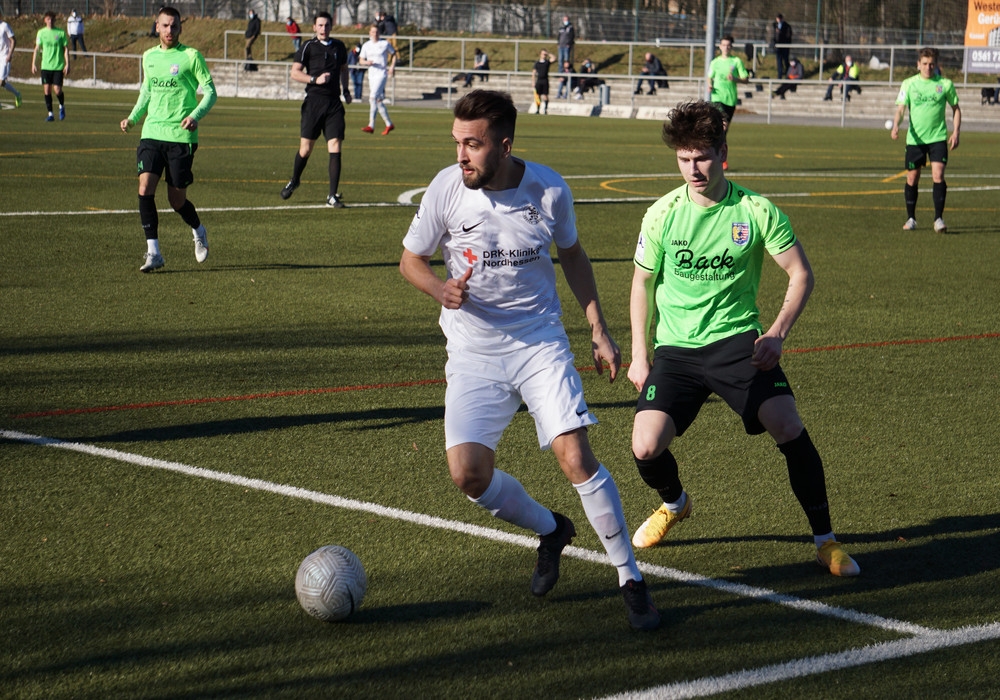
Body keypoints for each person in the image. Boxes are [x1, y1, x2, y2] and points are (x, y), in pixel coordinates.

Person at [399, 89, 661, 631]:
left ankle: (629, 577)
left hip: (540, 344)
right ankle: (551, 530)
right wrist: (439, 289)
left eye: (473, 144)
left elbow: (572, 256)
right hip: (472, 350)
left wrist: (599, 331)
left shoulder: (549, 189)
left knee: (575, 458)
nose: (461, 155)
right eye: (457, 142)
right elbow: (410, 260)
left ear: (504, 143)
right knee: (469, 475)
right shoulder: (446, 189)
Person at [628, 100, 860, 580]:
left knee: (788, 425)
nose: (693, 169)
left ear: (724, 153)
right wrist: (639, 354)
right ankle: (675, 504)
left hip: (738, 345)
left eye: (703, 157)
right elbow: (642, 284)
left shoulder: (755, 211)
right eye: (684, 158)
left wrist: (776, 333)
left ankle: (825, 541)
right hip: (676, 350)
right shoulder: (661, 215)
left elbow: (800, 275)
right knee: (646, 448)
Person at [119, 5, 216, 273]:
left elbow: (210, 92)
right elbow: (146, 92)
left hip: (181, 137)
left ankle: (198, 229)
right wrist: (133, 118)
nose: (169, 30)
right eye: (165, 25)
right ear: (157, 26)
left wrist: (195, 116)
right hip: (151, 133)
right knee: (144, 188)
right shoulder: (148, 57)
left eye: (174, 26)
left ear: (180, 27)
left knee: (177, 201)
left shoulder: (191, 56)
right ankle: (154, 252)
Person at [279, 11, 352, 208]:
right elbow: (295, 72)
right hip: (313, 103)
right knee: (306, 149)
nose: (323, 29)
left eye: (327, 25)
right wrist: (314, 79)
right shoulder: (308, 47)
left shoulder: (339, 47)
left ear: (331, 26)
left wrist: (346, 90)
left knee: (335, 145)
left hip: (334, 105)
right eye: (320, 25)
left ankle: (332, 196)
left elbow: (344, 69)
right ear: (314, 27)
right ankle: (295, 180)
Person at [890, 47, 961, 233]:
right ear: (918, 65)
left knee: (938, 175)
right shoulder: (909, 84)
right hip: (915, 139)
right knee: (912, 178)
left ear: (935, 65)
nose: (928, 68)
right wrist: (897, 124)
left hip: (938, 137)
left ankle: (938, 219)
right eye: (924, 64)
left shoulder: (945, 84)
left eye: (931, 64)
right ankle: (911, 218)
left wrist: (956, 132)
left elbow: (956, 108)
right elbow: (900, 109)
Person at [708, 34, 748, 169]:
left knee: (723, 131)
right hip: (717, 98)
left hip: (730, 99)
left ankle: (719, 155)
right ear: (720, 46)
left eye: (728, 45)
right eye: (723, 45)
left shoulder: (736, 61)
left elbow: (746, 79)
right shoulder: (715, 62)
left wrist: (735, 79)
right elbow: (709, 77)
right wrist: (709, 84)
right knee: (721, 125)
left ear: (731, 47)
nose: (726, 47)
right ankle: (719, 159)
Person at [31, 11, 69, 121]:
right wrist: (33, 63)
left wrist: (67, 64)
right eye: (48, 19)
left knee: (57, 90)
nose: (50, 21)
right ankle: (50, 114)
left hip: (58, 66)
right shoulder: (41, 33)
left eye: (52, 19)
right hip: (45, 66)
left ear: (55, 20)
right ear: (45, 20)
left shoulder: (61, 33)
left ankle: (61, 105)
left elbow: (66, 49)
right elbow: (37, 49)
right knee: (47, 91)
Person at [359, 24, 396, 135]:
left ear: (379, 33)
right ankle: (389, 124)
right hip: (372, 75)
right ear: (369, 33)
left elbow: (394, 54)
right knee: (378, 101)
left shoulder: (384, 43)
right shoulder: (366, 45)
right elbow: (361, 60)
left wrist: (392, 67)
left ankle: (371, 125)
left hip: (382, 74)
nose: (375, 34)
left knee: (372, 98)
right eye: (373, 32)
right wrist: (367, 62)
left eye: (377, 32)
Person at [0, 10, 22, 108]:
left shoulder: (4, 25)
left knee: (0, 82)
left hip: (5, 57)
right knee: (3, 83)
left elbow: (13, 40)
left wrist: (10, 54)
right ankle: (17, 94)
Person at [771, 13, 792, 79]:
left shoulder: (787, 26)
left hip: (784, 46)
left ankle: (788, 75)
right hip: (778, 47)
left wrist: (781, 33)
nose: (778, 20)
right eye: (777, 18)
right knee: (779, 62)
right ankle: (779, 76)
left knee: (786, 60)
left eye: (779, 18)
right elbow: (774, 36)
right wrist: (773, 42)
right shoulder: (775, 26)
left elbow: (788, 36)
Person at [532, 49, 552, 114]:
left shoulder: (547, 62)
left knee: (545, 95)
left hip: (545, 80)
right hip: (539, 80)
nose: (544, 55)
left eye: (545, 54)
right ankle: (538, 109)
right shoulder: (537, 63)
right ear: (540, 54)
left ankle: (545, 109)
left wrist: (548, 54)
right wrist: (533, 81)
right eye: (543, 54)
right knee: (538, 95)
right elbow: (534, 73)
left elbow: (554, 58)